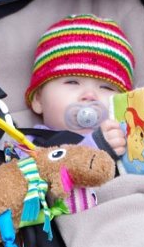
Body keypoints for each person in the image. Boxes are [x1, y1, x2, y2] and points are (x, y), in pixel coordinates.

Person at [24, 13, 134, 157]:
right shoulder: (31, 144)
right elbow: (34, 172)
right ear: (38, 99)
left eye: (106, 87)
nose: (90, 95)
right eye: (72, 82)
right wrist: (95, 146)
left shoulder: (130, 140)